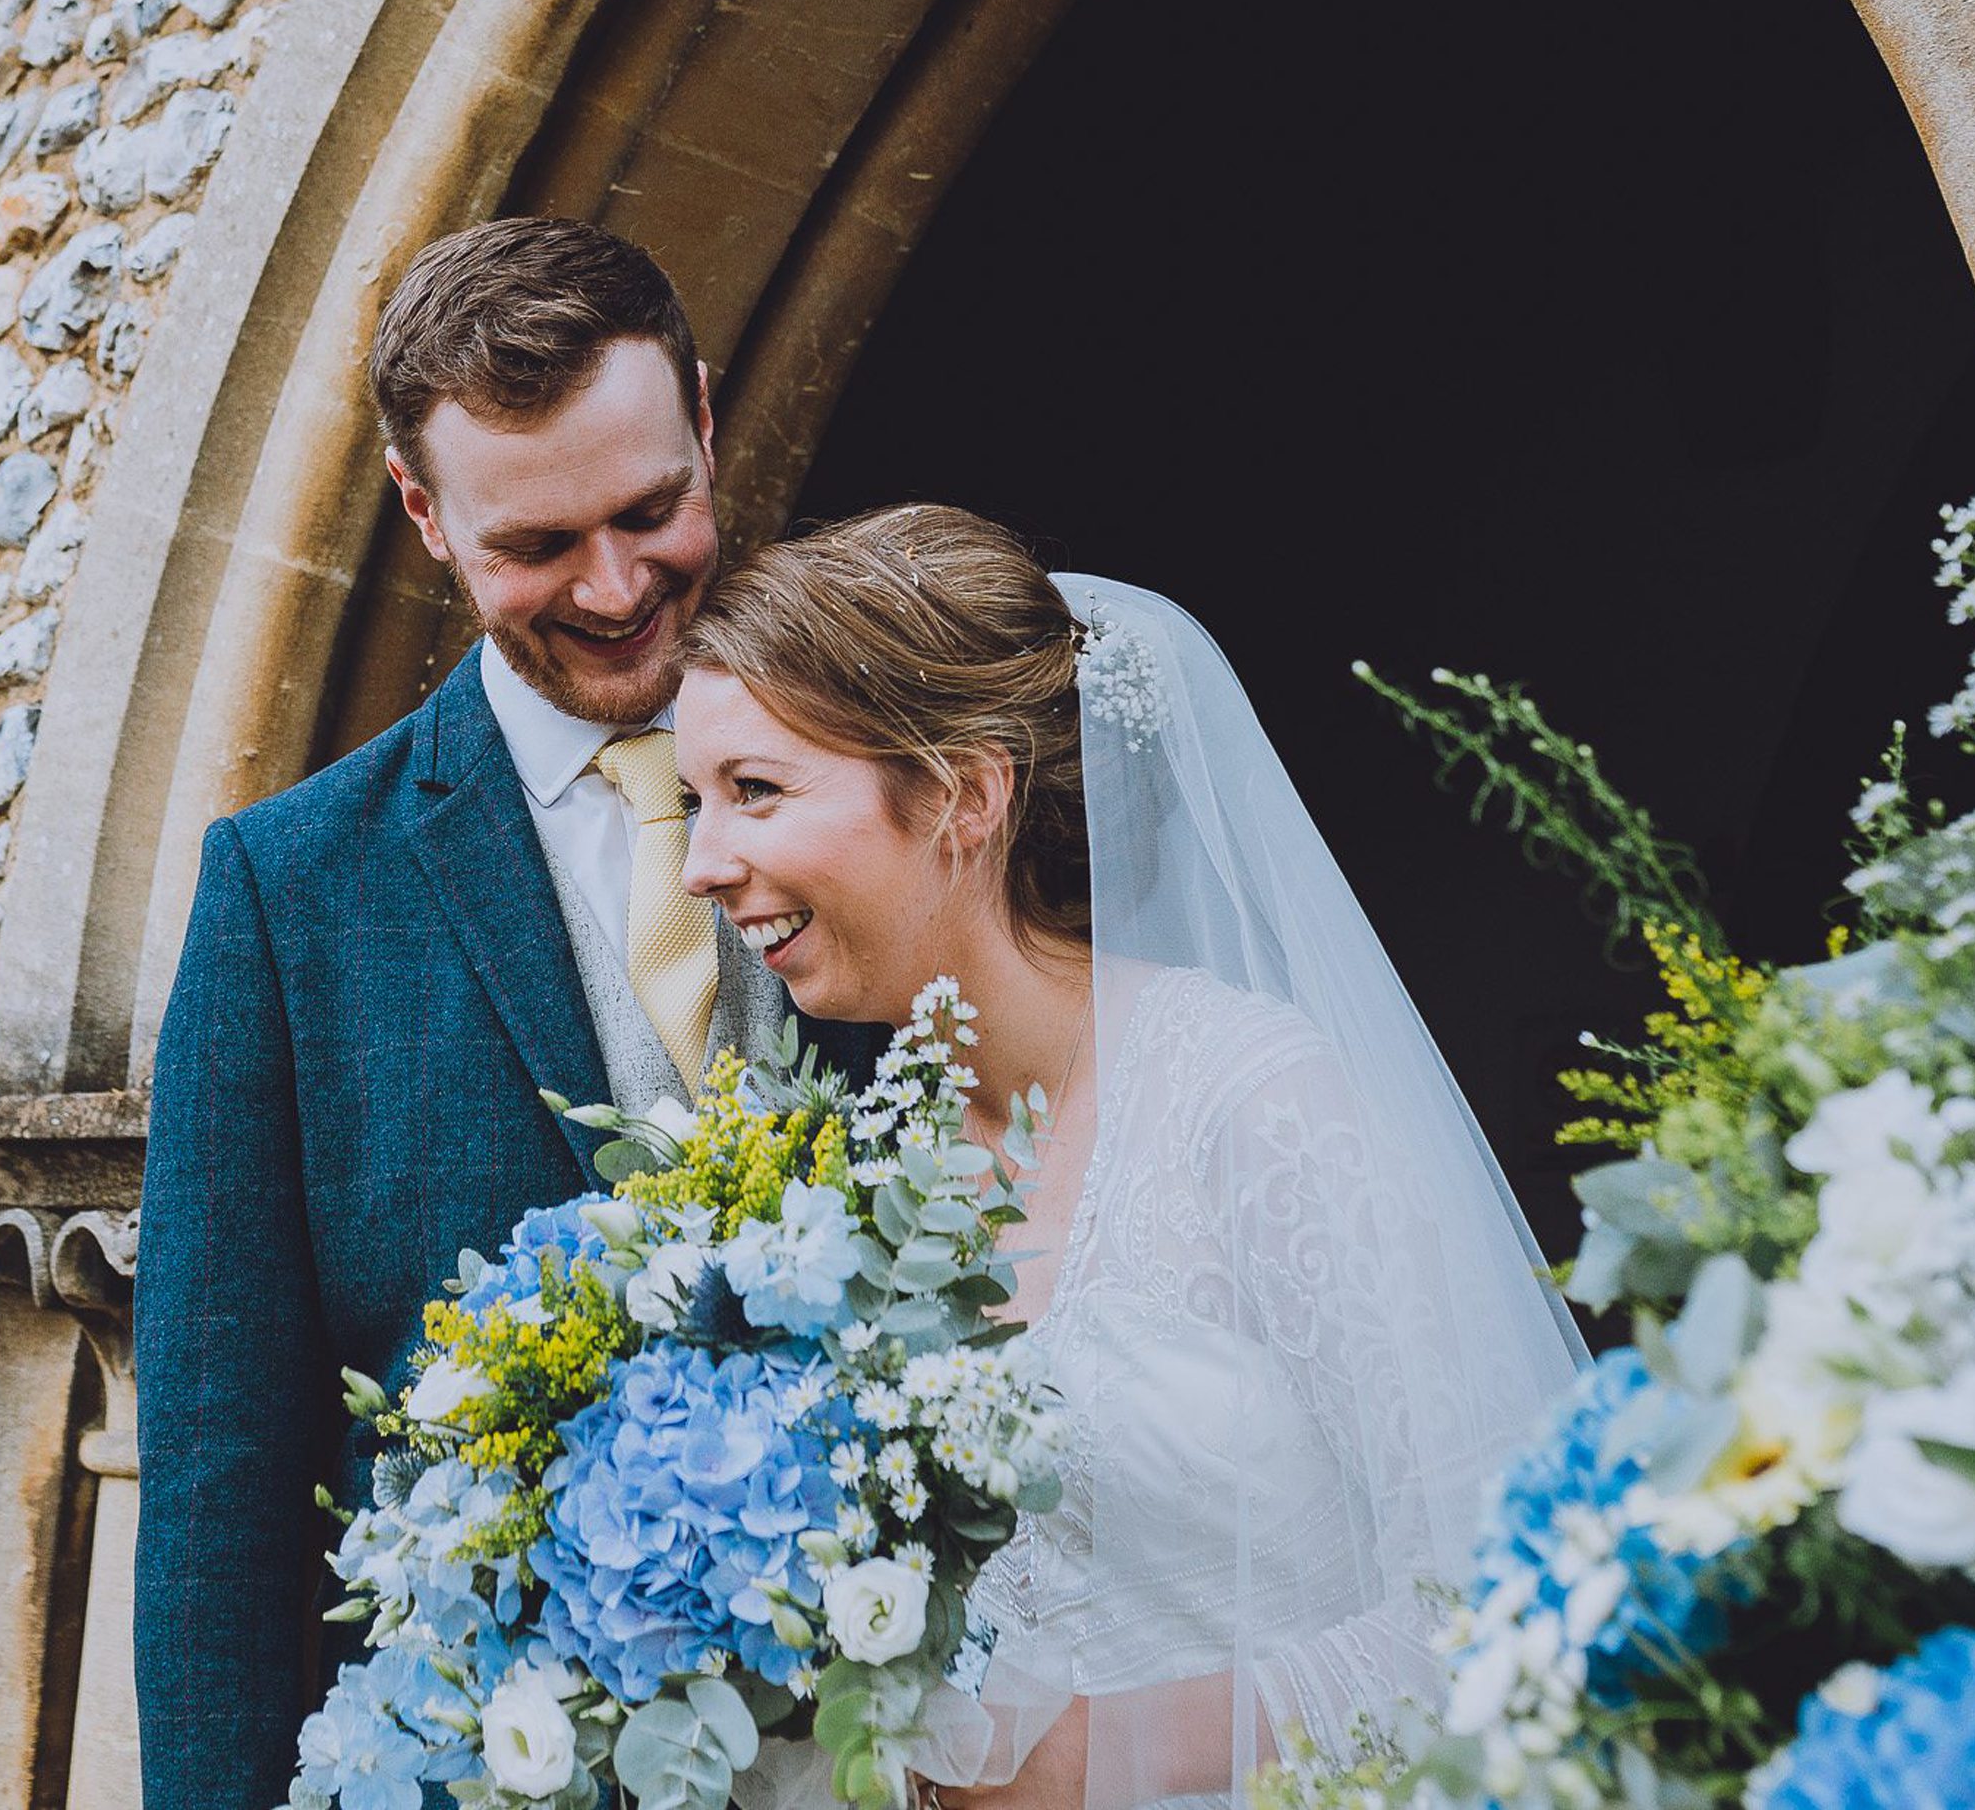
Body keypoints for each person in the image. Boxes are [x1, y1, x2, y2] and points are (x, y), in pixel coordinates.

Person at [674, 504, 1588, 1808]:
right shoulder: (861, 1184)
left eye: (756, 791)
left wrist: (1085, 1761)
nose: (706, 863)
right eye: (693, 802)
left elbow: (1511, 1606)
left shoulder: (1254, 1108)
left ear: (964, 795)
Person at [133, 219, 877, 1810]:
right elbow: (223, 1483)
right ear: (423, 513)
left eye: (653, 508)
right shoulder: (288, 892)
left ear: (699, 411)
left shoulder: (898, 771)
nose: (618, 589)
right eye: (538, 544)